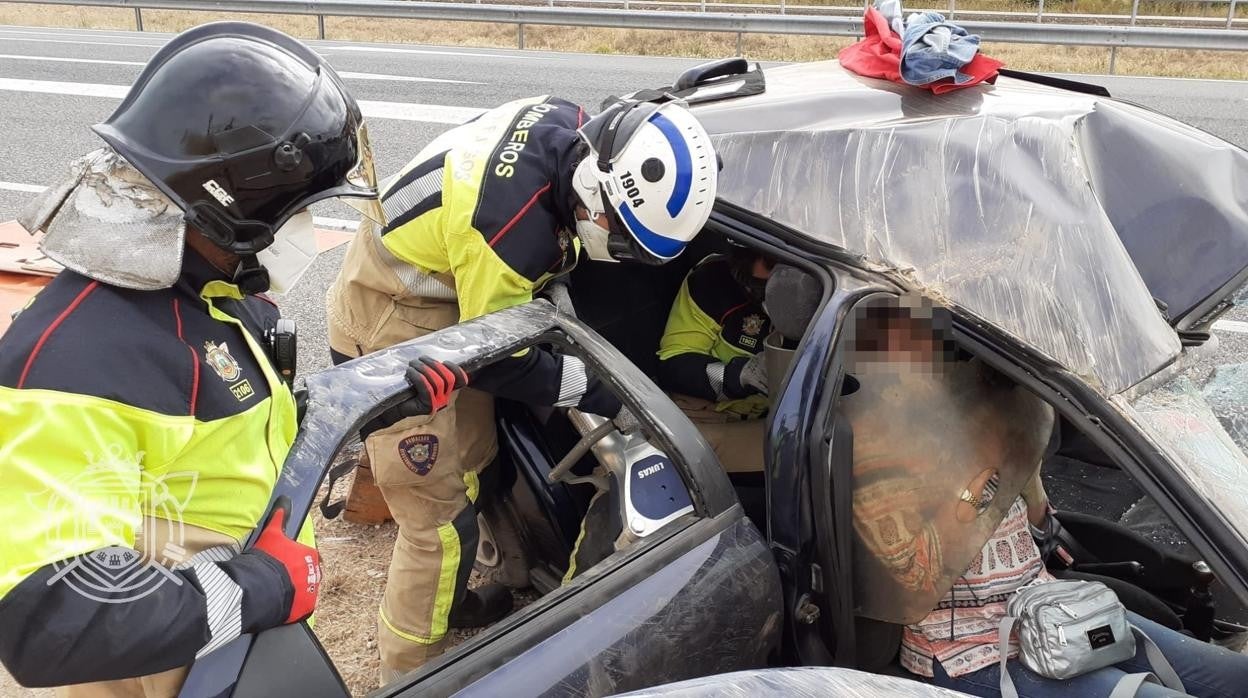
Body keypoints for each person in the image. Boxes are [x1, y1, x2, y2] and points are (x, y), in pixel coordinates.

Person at [0, 23, 383, 696]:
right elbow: (46, 622)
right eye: (300, 212)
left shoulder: (212, 290)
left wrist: (362, 395)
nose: (306, 233)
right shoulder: (72, 364)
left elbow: (221, 436)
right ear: (229, 205)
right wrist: (263, 586)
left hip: (227, 651)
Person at [325, 94, 718, 679]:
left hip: (458, 300)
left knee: (480, 464)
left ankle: (461, 599)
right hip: (394, 320)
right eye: (623, 237)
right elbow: (501, 362)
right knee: (438, 523)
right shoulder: (505, 235)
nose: (621, 252)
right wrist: (598, 389)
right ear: (598, 190)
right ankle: (411, 674)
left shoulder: (574, 127)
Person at [843, 300, 1248, 698]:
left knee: (1233, 675)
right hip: (970, 651)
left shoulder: (971, 416)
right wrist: (982, 475)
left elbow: (1039, 526)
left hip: (1051, 611)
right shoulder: (875, 459)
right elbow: (917, 580)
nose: (936, 362)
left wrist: (1023, 465)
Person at [654, 245, 774, 473]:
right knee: (653, 460)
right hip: (709, 412)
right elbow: (672, 364)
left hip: (783, 419)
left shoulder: (835, 293)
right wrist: (738, 376)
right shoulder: (712, 280)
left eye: (772, 263)